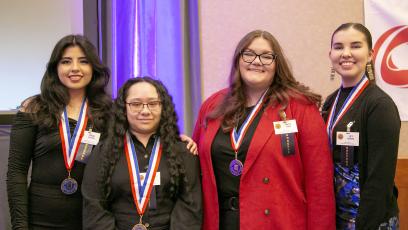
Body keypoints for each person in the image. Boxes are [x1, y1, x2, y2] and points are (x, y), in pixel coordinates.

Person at [193, 30, 335, 230]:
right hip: (219, 222)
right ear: (238, 59)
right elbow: (196, 168)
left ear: (277, 64)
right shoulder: (213, 106)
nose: (257, 61)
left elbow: (319, 183)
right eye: (249, 54)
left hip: (276, 222)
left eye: (267, 56)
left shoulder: (300, 107)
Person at [6, 35, 112, 229]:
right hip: (41, 219)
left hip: (92, 219)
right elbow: (16, 173)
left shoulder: (109, 112)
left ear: (94, 68)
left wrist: (179, 141)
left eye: (83, 61)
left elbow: (139, 143)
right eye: (66, 61)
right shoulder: (34, 108)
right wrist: (20, 226)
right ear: (55, 67)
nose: (75, 68)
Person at [82, 77, 202, 230]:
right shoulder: (103, 152)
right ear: (123, 109)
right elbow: (94, 207)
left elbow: (190, 207)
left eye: (153, 104)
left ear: (163, 107)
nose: (145, 111)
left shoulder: (183, 152)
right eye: (136, 104)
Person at [322, 23, 400, 229]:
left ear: (371, 54)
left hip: (369, 221)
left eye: (355, 46)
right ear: (330, 54)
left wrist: (364, 225)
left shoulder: (379, 105)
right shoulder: (330, 102)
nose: (346, 53)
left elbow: (380, 179)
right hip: (337, 217)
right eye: (338, 47)